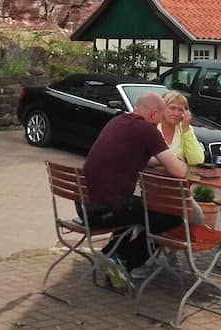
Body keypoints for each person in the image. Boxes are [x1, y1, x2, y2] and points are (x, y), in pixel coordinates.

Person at [81, 91, 187, 291]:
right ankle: (123, 262)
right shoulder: (146, 129)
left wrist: (157, 162)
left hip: (86, 207)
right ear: (155, 114)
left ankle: (112, 254)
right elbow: (180, 172)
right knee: (170, 217)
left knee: (136, 210)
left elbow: (134, 156)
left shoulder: (117, 121)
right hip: (106, 211)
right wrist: (179, 164)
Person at [157, 90, 204, 166]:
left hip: (177, 176)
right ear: (162, 108)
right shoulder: (153, 126)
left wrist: (186, 129)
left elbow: (197, 160)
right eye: (172, 108)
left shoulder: (184, 128)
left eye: (180, 110)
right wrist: (173, 160)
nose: (176, 113)